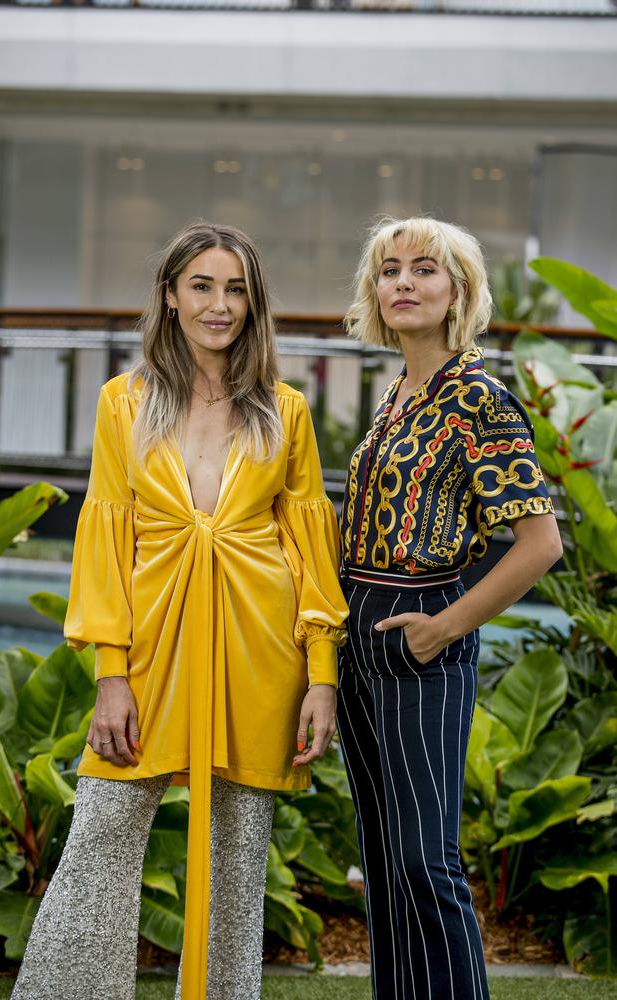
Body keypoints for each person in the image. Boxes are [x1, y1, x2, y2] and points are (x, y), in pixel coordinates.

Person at [12, 222, 348, 1000]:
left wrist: (321, 675)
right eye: (202, 285)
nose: (219, 305)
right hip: (153, 646)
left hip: (258, 648)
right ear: (169, 296)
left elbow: (306, 547)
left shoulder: (284, 410)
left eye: (236, 289)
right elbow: (107, 539)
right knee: (101, 833)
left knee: (237, 858)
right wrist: (110, 673)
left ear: (254, 303)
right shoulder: (121, 403)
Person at [337, 216, 562, 1000]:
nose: (403, 282)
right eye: (390, 270)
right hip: (359, 633)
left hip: (421, 627)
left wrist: (445, 627)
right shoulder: (398, 394)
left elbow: (540, 544)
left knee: (424, 862)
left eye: (424, 270)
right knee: (386, 860)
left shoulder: (479, 398)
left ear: (458, 292)